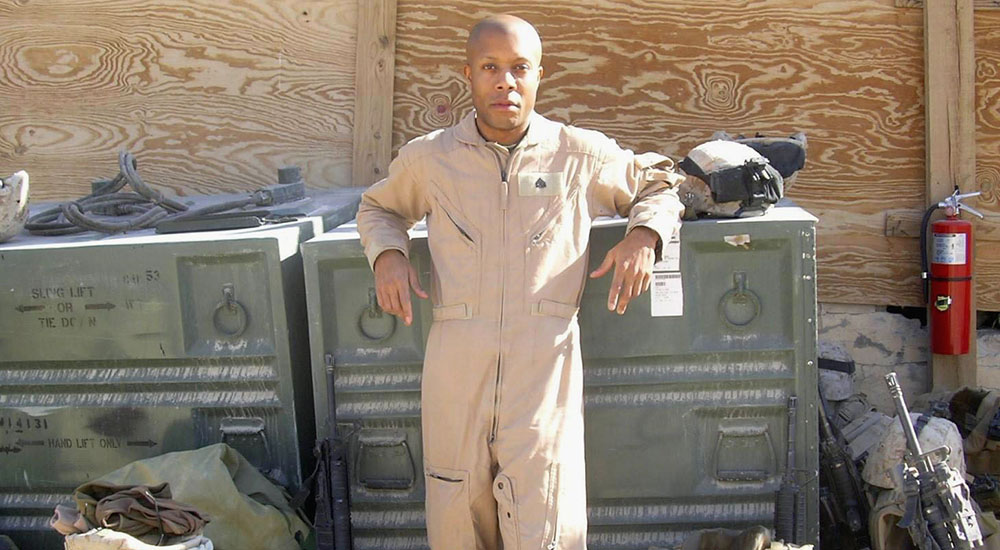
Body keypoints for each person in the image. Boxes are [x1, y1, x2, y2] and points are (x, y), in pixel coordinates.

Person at [356, 14, 683, 550]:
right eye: (490, 68)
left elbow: (660, 181)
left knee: (545, 518)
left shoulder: (579, 155)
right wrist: (388, 254)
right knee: (457, 509)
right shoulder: (430, 158)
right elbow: (377, 207)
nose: (504, 81)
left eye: (518, 68)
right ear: (469, 75)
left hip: (544, 367)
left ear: (538, 76)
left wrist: (644, 236)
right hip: (456, 363)